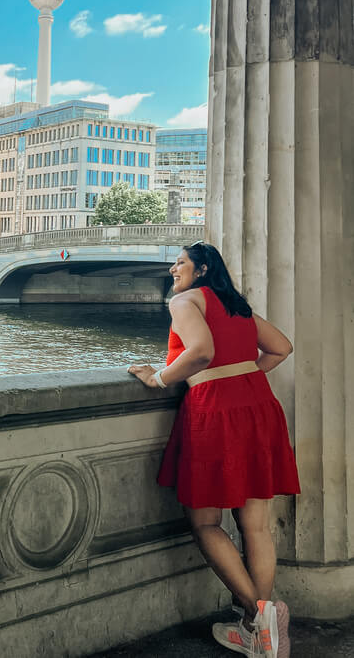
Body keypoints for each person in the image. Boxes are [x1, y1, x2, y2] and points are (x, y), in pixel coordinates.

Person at [129, 241, 299, 658]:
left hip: (215, 413)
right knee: (254, 526)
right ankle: (258, 630)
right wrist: (241, 375)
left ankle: (258, 618)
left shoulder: (186, 300)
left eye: (180, 262)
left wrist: (159, 379)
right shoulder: (237, 306)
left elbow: (201, 352)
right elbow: (282, 348)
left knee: (205, 522)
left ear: (201, 269)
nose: (173, 268)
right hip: (257, 406)